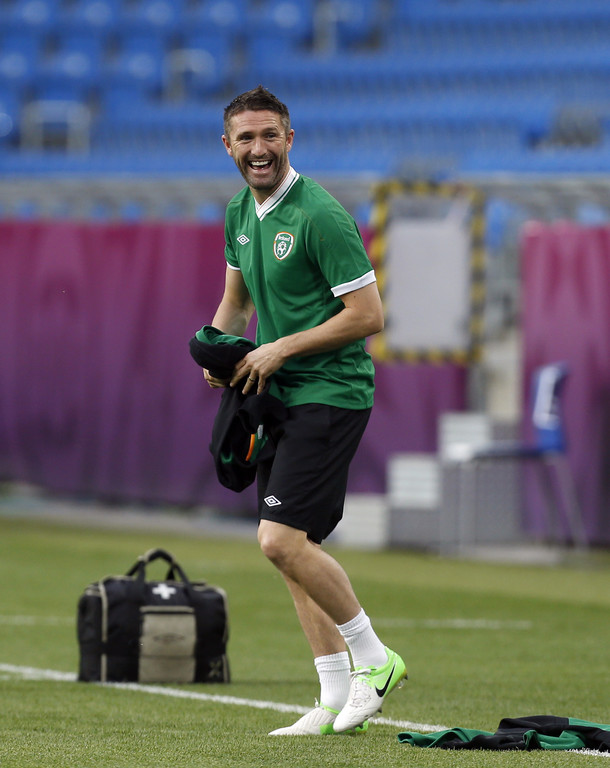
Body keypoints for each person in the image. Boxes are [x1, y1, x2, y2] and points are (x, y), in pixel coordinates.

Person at [202, 85, 407, 736]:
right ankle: (330, 696)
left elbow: (368, 316)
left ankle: (375, 659)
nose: (259, 148)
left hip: (331, 391)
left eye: (270, 135)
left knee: (280, 539)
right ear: (228, 146)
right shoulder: (240, 211)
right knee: (291, 549)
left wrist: (281, 346)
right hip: (277, 395)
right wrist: (221, 350)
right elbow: (237, 303)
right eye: (246, 138)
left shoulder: (319, 214)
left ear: (290, 139)